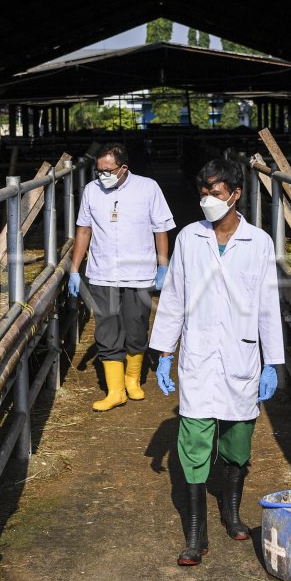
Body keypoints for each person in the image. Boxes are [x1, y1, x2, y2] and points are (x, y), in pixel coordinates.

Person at [149, 156, 283, 566]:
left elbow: (267, 306)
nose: (208, 198)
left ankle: (231, 511)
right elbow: (173, 297)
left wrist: (272, 362)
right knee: (192, 443)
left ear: (236, 194)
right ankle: (196, 535)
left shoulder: (258, 242)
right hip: (199, 355)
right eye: (204, 192)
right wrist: (164, 353)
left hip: (242, 355)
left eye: (217, 192)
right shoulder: (190, 237)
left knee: (237, 443)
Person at [69, 144, 175, 411]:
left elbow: (160, 228)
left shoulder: (148, 188)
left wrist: (163, 265)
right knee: (106, 329)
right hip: (102, 272)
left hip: (139, 273)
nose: (102, 175)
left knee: (137, 326)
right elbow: (84, 230)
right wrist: (74, 270)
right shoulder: (92, 191)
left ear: (123, 168)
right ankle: (115, 390)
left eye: (108, 170)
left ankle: (132, 379)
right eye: (99, 170)